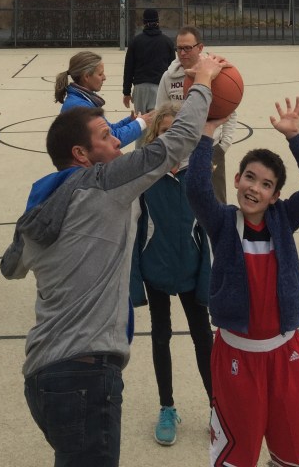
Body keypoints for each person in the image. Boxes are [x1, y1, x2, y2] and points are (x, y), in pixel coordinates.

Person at [0, 52, 227, 467]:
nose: (117, 141)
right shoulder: (104, 185)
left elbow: (10, 267)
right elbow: (176, 142)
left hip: (41, 375)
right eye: (106, 136)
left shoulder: (42, 205)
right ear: (81, 154)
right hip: (85, 374)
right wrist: (204, 83)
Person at [186, 97, 299, 467]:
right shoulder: (223, 223)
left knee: (296, 450)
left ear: (276, 195)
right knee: (239, 453)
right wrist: (206, 133)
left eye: (266, 184)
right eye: (249, 177)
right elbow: (197, 189)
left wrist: (296, 138)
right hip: (237, 355)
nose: (255, 188)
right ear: (236, 180)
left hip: (285, 354)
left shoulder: (284, 219)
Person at [130, 104, 213, 447]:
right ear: (155, 136)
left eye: (177, 131)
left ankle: (218, 407)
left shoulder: (199, 174)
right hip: (157, 270)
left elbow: (209, 230)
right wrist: (135, 281)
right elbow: (134, 230)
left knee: (203, 337)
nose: (172, 138)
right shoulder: (144, 176)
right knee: (160, 335)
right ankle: (167, 407)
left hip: (192, 270)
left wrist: (209, 277)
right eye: (165, 132)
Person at [157, 26, 237, 202]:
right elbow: (159, 115)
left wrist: (223, 145)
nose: (182, 53)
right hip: (178, 150)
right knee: (183, 203)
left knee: (216, 201)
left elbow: (230, 111)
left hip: (210, 147)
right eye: (179, 48)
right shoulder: (168, 77)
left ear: (200, 48)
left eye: (187, 48)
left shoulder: (217, 72)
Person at [55, 50, 146, 148]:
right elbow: (110, 140)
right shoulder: (80, 107)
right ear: (86, 76)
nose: (104, 77)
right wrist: (140, 123)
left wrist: (130, 120)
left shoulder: (83, 100)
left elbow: (109, 130)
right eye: (100, 74)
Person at [122, 8, 176, 114]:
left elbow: (128, 69)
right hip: (159, 86)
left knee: (141, 121)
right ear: (158, 21)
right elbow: (172, 69)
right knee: (157, 120)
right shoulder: (167, 42)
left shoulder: (136, 41)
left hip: (140, 87)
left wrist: (126, 92)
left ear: (144, 22)